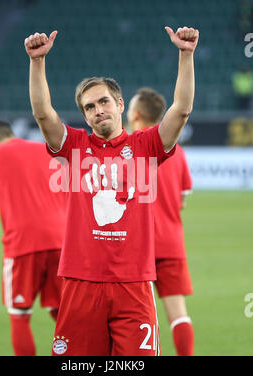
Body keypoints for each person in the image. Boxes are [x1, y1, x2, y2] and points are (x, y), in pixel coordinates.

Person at [24, 25, 199, 356]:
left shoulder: (146, 145)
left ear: (120, 104)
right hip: (80, 280)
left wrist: (186, 55)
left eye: (103, 101)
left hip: (133, 282)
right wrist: (37, 63)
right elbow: (42, 113)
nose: (98, 110)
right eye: (89, 107)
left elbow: (182, 109)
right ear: (85, 116)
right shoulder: (73, 145)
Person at [0, 120, 66, 356]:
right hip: (62, 244)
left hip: (22, 245)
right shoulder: (43, 149)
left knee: (19, 316)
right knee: (63, 314)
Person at [127, 87, 194, 356]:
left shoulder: (128, 148)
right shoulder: (177, 151)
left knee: (135, 319)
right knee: (178, 314)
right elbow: (182, 201)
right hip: (170, 242)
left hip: (135, 246)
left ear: (135, 114)